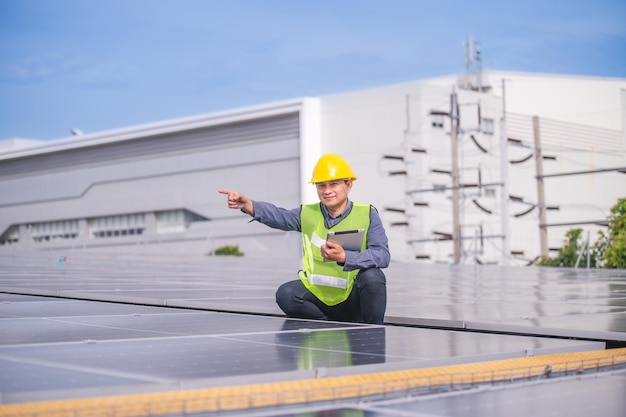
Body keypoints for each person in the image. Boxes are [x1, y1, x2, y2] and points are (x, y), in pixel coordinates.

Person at [218, 153, 390, 324]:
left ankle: (372, 330)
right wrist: (248, 205)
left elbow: (382, 255)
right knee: (286, 294)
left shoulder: (367, 214)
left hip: (353, 298)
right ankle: (327, 325)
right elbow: (279, 216)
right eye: (321, 185)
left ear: (349, 185)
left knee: (373, 277)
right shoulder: (307, 213)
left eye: (334, 184)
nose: (327, 190)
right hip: (319, 295)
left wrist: (346, 257)